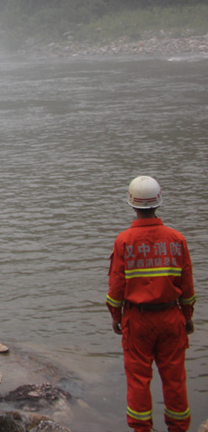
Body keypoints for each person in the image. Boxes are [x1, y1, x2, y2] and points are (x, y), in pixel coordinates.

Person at [107, 176, 196, 432]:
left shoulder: (124, 241)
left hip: (138, 319)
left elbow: (116, 289)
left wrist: (116, 316)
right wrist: (187, 316)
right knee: (175, 379)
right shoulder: (177, 239)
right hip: (171, 317)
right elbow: (187, 286)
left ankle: (141, 428)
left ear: (132, 204)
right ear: (158, 202)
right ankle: (179, 428)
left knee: (138, 379)